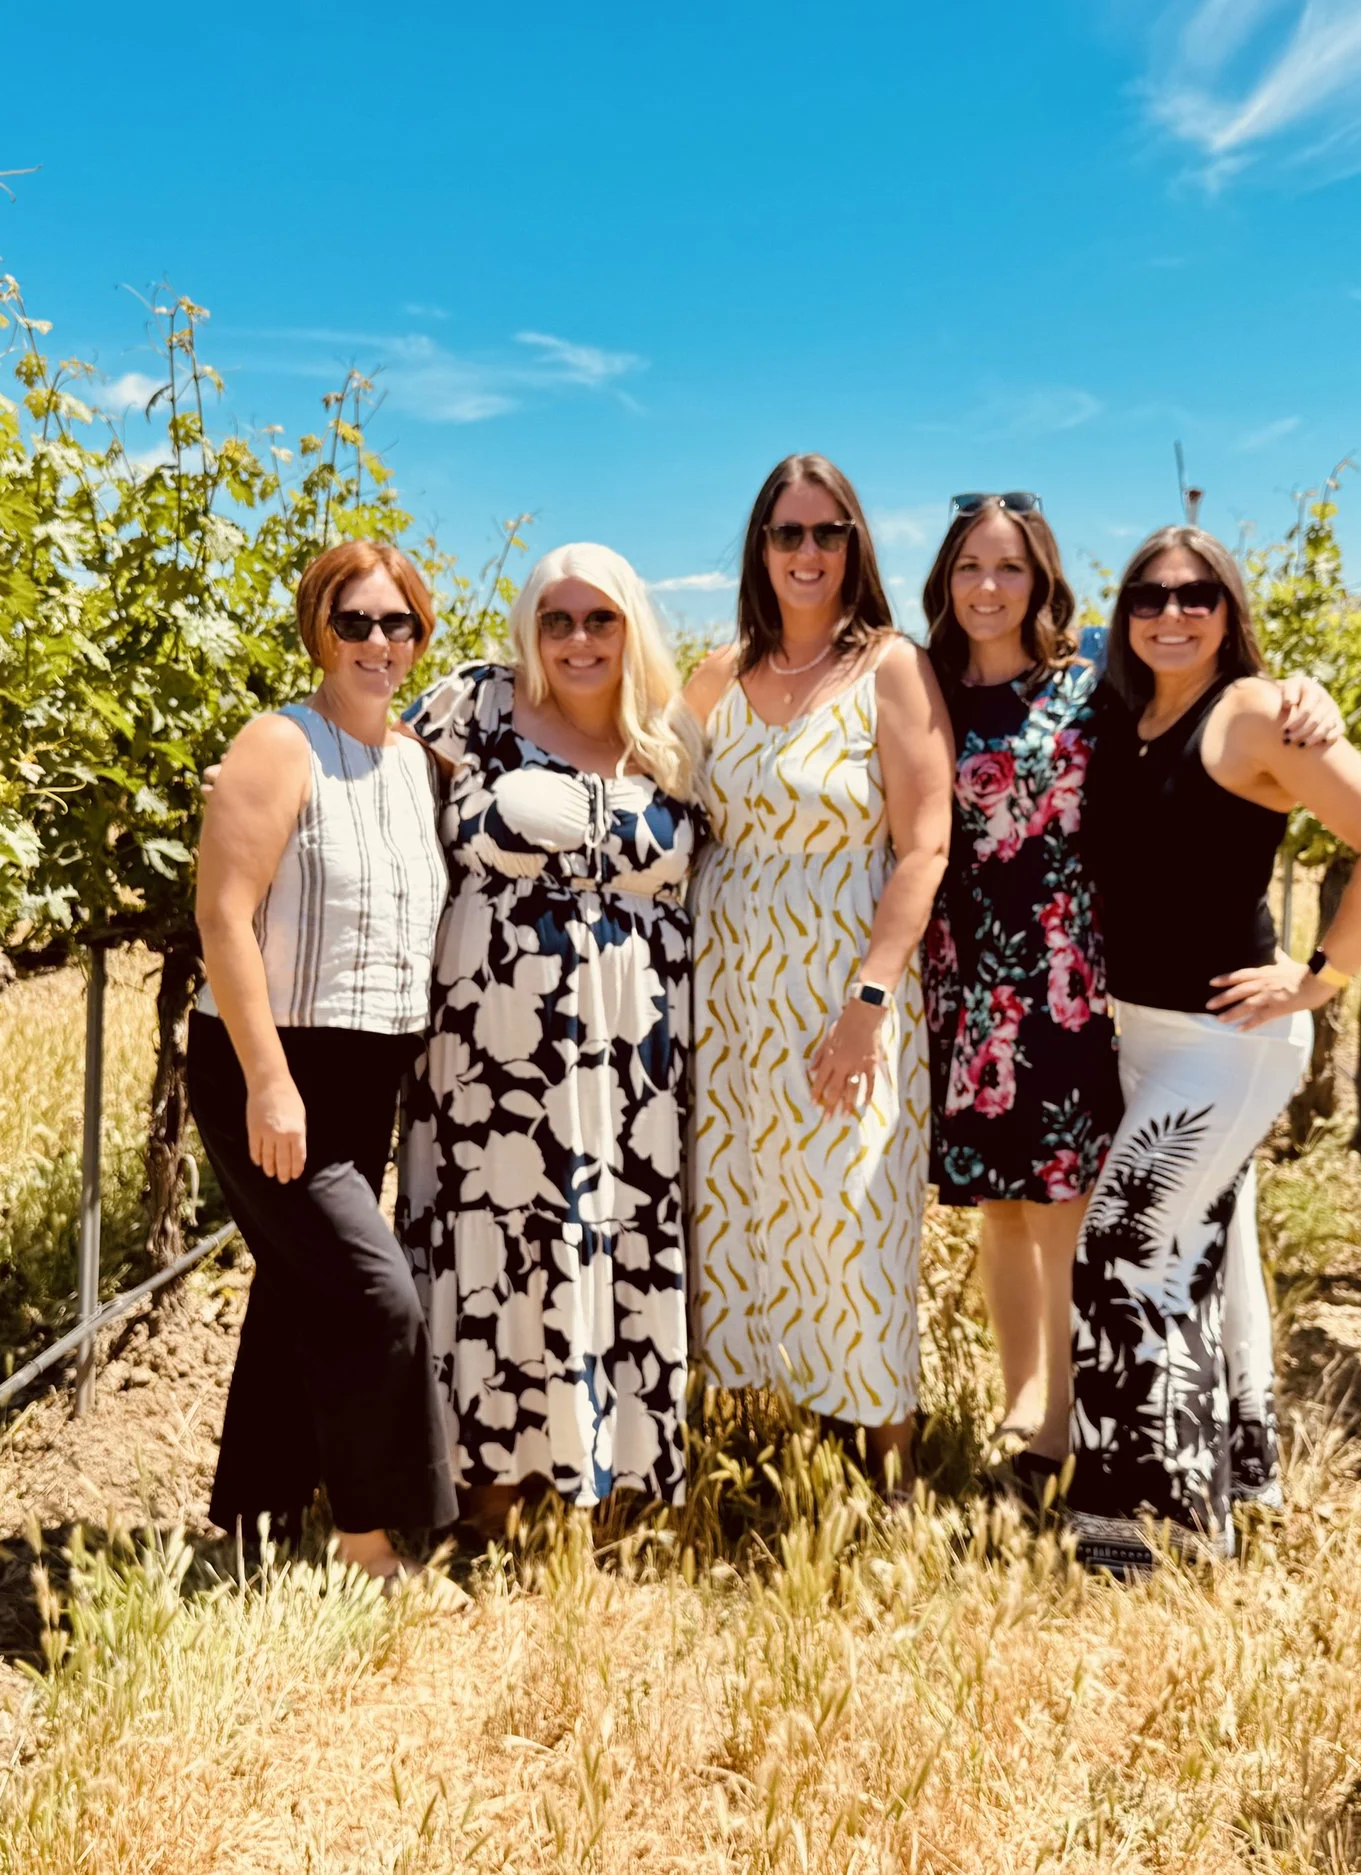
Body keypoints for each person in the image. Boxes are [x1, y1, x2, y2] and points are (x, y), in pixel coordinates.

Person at [917, 495, 1342, 1480]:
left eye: (1011, 567)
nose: (989, 586)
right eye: (969, 567)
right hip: (969, 978)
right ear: (943, 581)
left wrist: (1301, 689)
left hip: (1071, 977)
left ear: (1042, 580)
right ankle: (1017, 1401)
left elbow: (1202, 667)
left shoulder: (1089, 673)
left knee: (1069, 1202)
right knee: (1005, 1206)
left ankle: (1069, 1422)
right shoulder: (924, 684)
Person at [1065, 524, 1361, 1576]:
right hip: (1145, 1036)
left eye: (1195, 596)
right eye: (1148, 596)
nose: (1169, 614)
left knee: (1120, 1252)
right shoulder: (1123, 709)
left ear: (1228, 611)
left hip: (1231, 1042)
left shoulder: (1257, 714)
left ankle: (1136, 1527)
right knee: (1197, 1263)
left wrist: (1319, 976)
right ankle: (1235, 1488)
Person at [399, 543, 703, 1535]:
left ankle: (604, 1485)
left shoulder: (671, 740)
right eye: (557, 620)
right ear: (529, 630)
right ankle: (483, 1492)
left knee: (616, 1236)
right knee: (498, 1241)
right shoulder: (472, 709)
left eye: (600, 619)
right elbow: (364, 777)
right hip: (494, 1040)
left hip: (636, 1055)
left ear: (633, 629)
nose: (578, 640)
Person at [684, 454, 954, 1498]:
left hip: (845, 988)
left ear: (855, 547)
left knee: (853, 1220)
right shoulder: (716, 673)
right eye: (786, 534)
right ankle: (753, 1449)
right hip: (728, 995)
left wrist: (869, 1001)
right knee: (743, 1209)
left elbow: (923, 845)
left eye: (826, 533)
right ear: (759, 548)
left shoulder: (890, 666)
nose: (807, 553)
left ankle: (885, 1479)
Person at [189, 538, 458, 1588]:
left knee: (299, 1290)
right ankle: (368, 1536)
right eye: (357, 622)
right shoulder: (277, 744)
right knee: (371, 1296)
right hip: (269, 1067)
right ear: (319, 630)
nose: (380, 643)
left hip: (364, 1076)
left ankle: (255, 1521)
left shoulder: (417, 762)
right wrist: (267, 1080)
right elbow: (222, 916)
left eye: (399, 623)